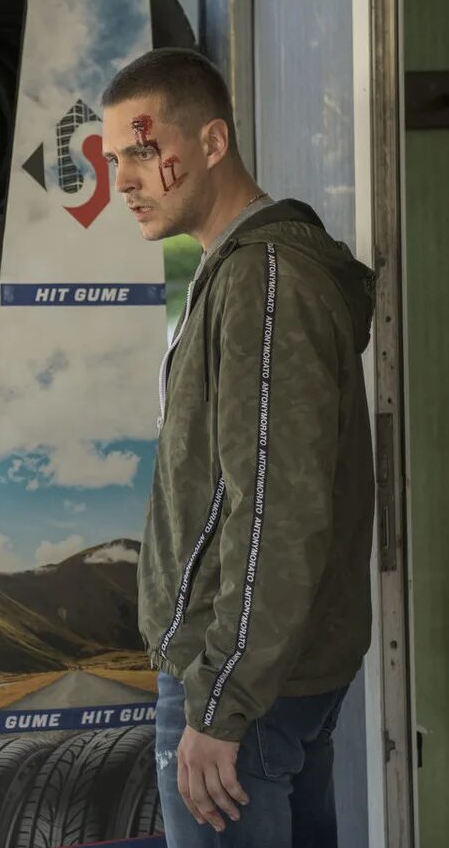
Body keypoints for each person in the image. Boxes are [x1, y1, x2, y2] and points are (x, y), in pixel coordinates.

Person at [101, 48, 375, 847]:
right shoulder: (241, 271)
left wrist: (221, 699)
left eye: (144, 153)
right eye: (115, 158)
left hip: (237, 683)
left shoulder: (264, 280)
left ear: (213, 143)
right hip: (260, 671)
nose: (123, 180)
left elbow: (274, 507)